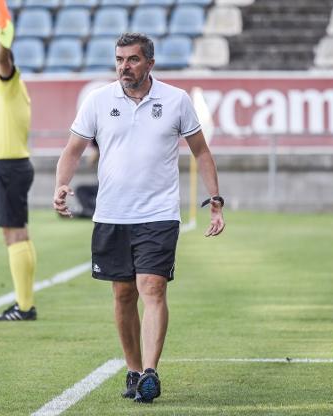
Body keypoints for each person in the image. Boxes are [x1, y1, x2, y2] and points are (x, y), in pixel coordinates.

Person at [53, 33, 226, 404]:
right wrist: (61, 186)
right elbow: (72, 150)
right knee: (123, 294)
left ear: (149, 63)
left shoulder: (176, 100)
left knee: (152, 287)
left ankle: (150, 372)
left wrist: (215, 200)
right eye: (119, 59)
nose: (123, 67)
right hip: (112, 214)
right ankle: (133, 371)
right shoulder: (99, 100)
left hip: (159, 214)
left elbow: (202, 152)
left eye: (131, 60)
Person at [0, 39, 38, 321]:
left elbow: (5, 61)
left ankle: (25, 307)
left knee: (15, 233)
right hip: (5, 167)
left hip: (10, 167)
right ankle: (24, 303)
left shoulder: (9, 82)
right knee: (14, 234)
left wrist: (3, 36)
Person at [72, 139, 99, 219]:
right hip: (101, 186)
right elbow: (91, 162)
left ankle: (89, 211)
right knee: (81, 189)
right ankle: (88, 211)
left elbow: (91, 161)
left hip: (109, 187)